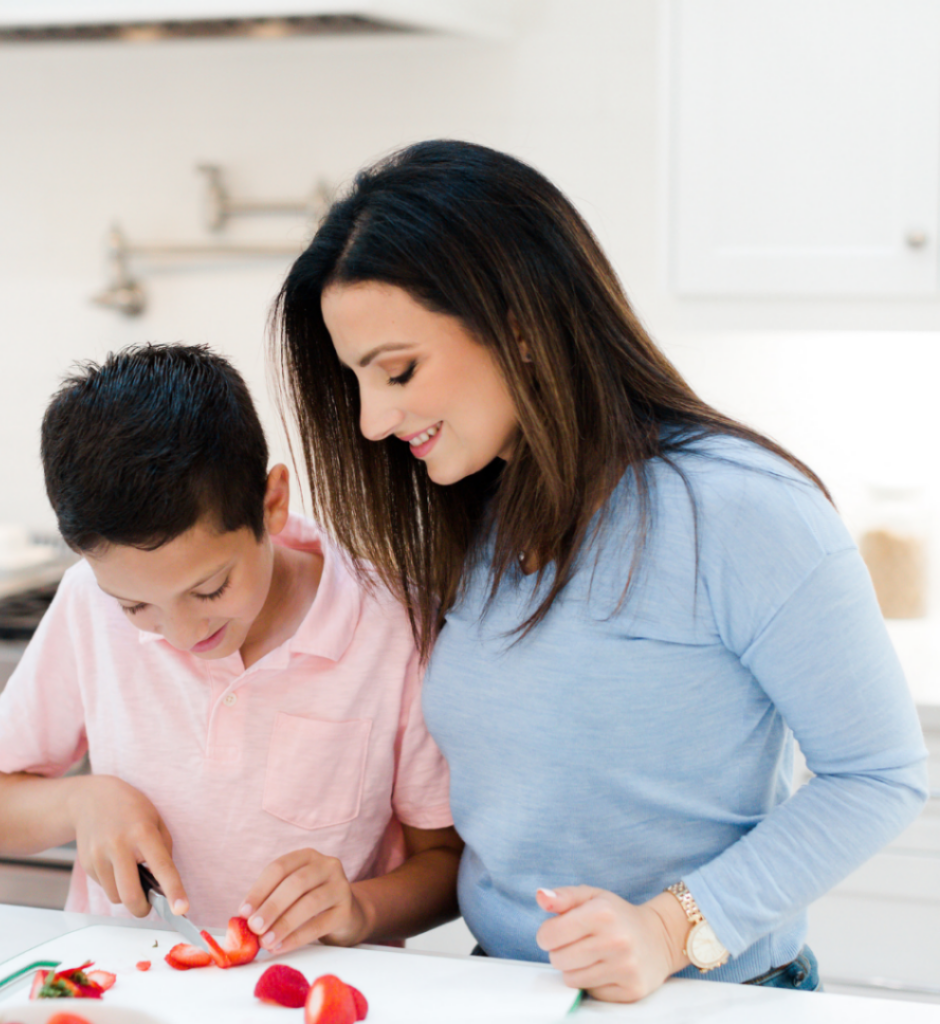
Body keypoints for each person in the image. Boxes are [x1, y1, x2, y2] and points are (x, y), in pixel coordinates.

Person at [270, 140, 930, 1001]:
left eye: (397, 371)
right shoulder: (473, 512)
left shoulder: (740, 510)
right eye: (358, 382)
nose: (371, 420)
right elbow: (516, 825)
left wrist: (667, 928)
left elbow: (879, 774)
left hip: (708, 998)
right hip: (506, 992)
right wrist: (359, 907)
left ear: (520, 327)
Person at [0, 343, 460, 955]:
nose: (179, 634)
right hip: (128, 987)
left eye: (209, 588)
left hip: (311, 994)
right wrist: (80, 799)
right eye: (135, 607)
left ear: (272, 503)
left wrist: (357, 908)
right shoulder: (86, 604)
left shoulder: (393, 626)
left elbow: (445, 865)